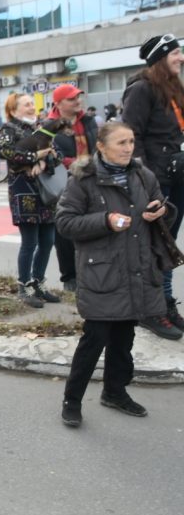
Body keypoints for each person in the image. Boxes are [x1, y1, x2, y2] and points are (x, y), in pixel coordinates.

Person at [56, 122, 173, 427]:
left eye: (131, 141)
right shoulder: (84, 180)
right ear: (101, 147)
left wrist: (158, 210)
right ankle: (73, 399)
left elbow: (161, 205)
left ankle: (115, 392)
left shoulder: (142, 174)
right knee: (94, 339)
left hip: (137, 269)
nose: (128, 147)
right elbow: (65, 223)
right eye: (121, 142)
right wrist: (105, 221)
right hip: (102, 273)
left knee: (124, 337)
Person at [121, 33, 184, 339]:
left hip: (177, 176)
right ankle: (151, 311)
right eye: (175, 53)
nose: (181, 58)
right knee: (154, 247)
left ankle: (166, 305)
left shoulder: (172, 88)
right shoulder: (142, 89)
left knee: (168, 245)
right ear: (161, 57)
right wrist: (147, 182)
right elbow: (131, 138)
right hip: (156, 181)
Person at [0, 93, 61, 308]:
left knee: (48, 240)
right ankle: (24, 285)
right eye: (26, 104)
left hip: (46, 191)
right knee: (30, 242)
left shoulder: (42, 127)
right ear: (14, 110)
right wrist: (34, 157)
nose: (32, 107)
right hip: (23, 192)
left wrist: (44, 163)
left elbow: (57, 152)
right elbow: (5, 151)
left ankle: (39, 283)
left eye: (32, 103)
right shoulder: (8, 129)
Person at [48, 84, 97, 293]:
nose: (77, 101)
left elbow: (98, 145)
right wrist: (76, 163)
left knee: (93, 226)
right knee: (65, 231)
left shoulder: (88, 120)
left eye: (78, 97)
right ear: (58, 104)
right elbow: (49, 155)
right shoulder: (49, 125)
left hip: (92, 178)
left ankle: (91, 272)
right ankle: (69, 276)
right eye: (71, 99)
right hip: (65, 181)